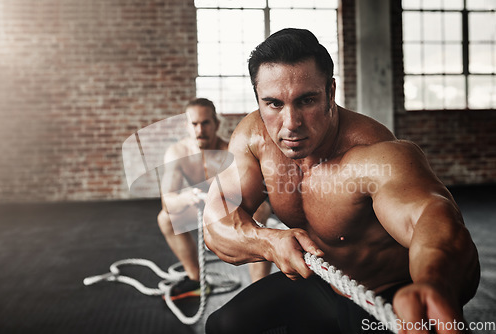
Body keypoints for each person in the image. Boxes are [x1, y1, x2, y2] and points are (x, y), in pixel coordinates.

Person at [203, 29, 480, 333]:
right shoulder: (253, 136)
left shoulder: (373, 154)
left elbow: (430, 217)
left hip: (387, 293)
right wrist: (268, 242)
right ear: (258, 99)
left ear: (330, 93)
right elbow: (216, 223)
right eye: (273, 104)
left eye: (307, 100)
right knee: (224, 325)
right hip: (323, 281)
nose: (291, 124)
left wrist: (434, 281)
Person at [157, 98, 272, 301]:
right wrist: (186, 198)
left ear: (216, 124)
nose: (200, 129)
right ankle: (196, 281)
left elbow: (253, 196)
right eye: (194, 124)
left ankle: (260, 289)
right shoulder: (177, 153)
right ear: (187, 126)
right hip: (198, 207)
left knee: (261, 210)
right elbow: (168, 203)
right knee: (165, 219)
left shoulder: (230, 152)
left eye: (205, 123)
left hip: (228, 206)